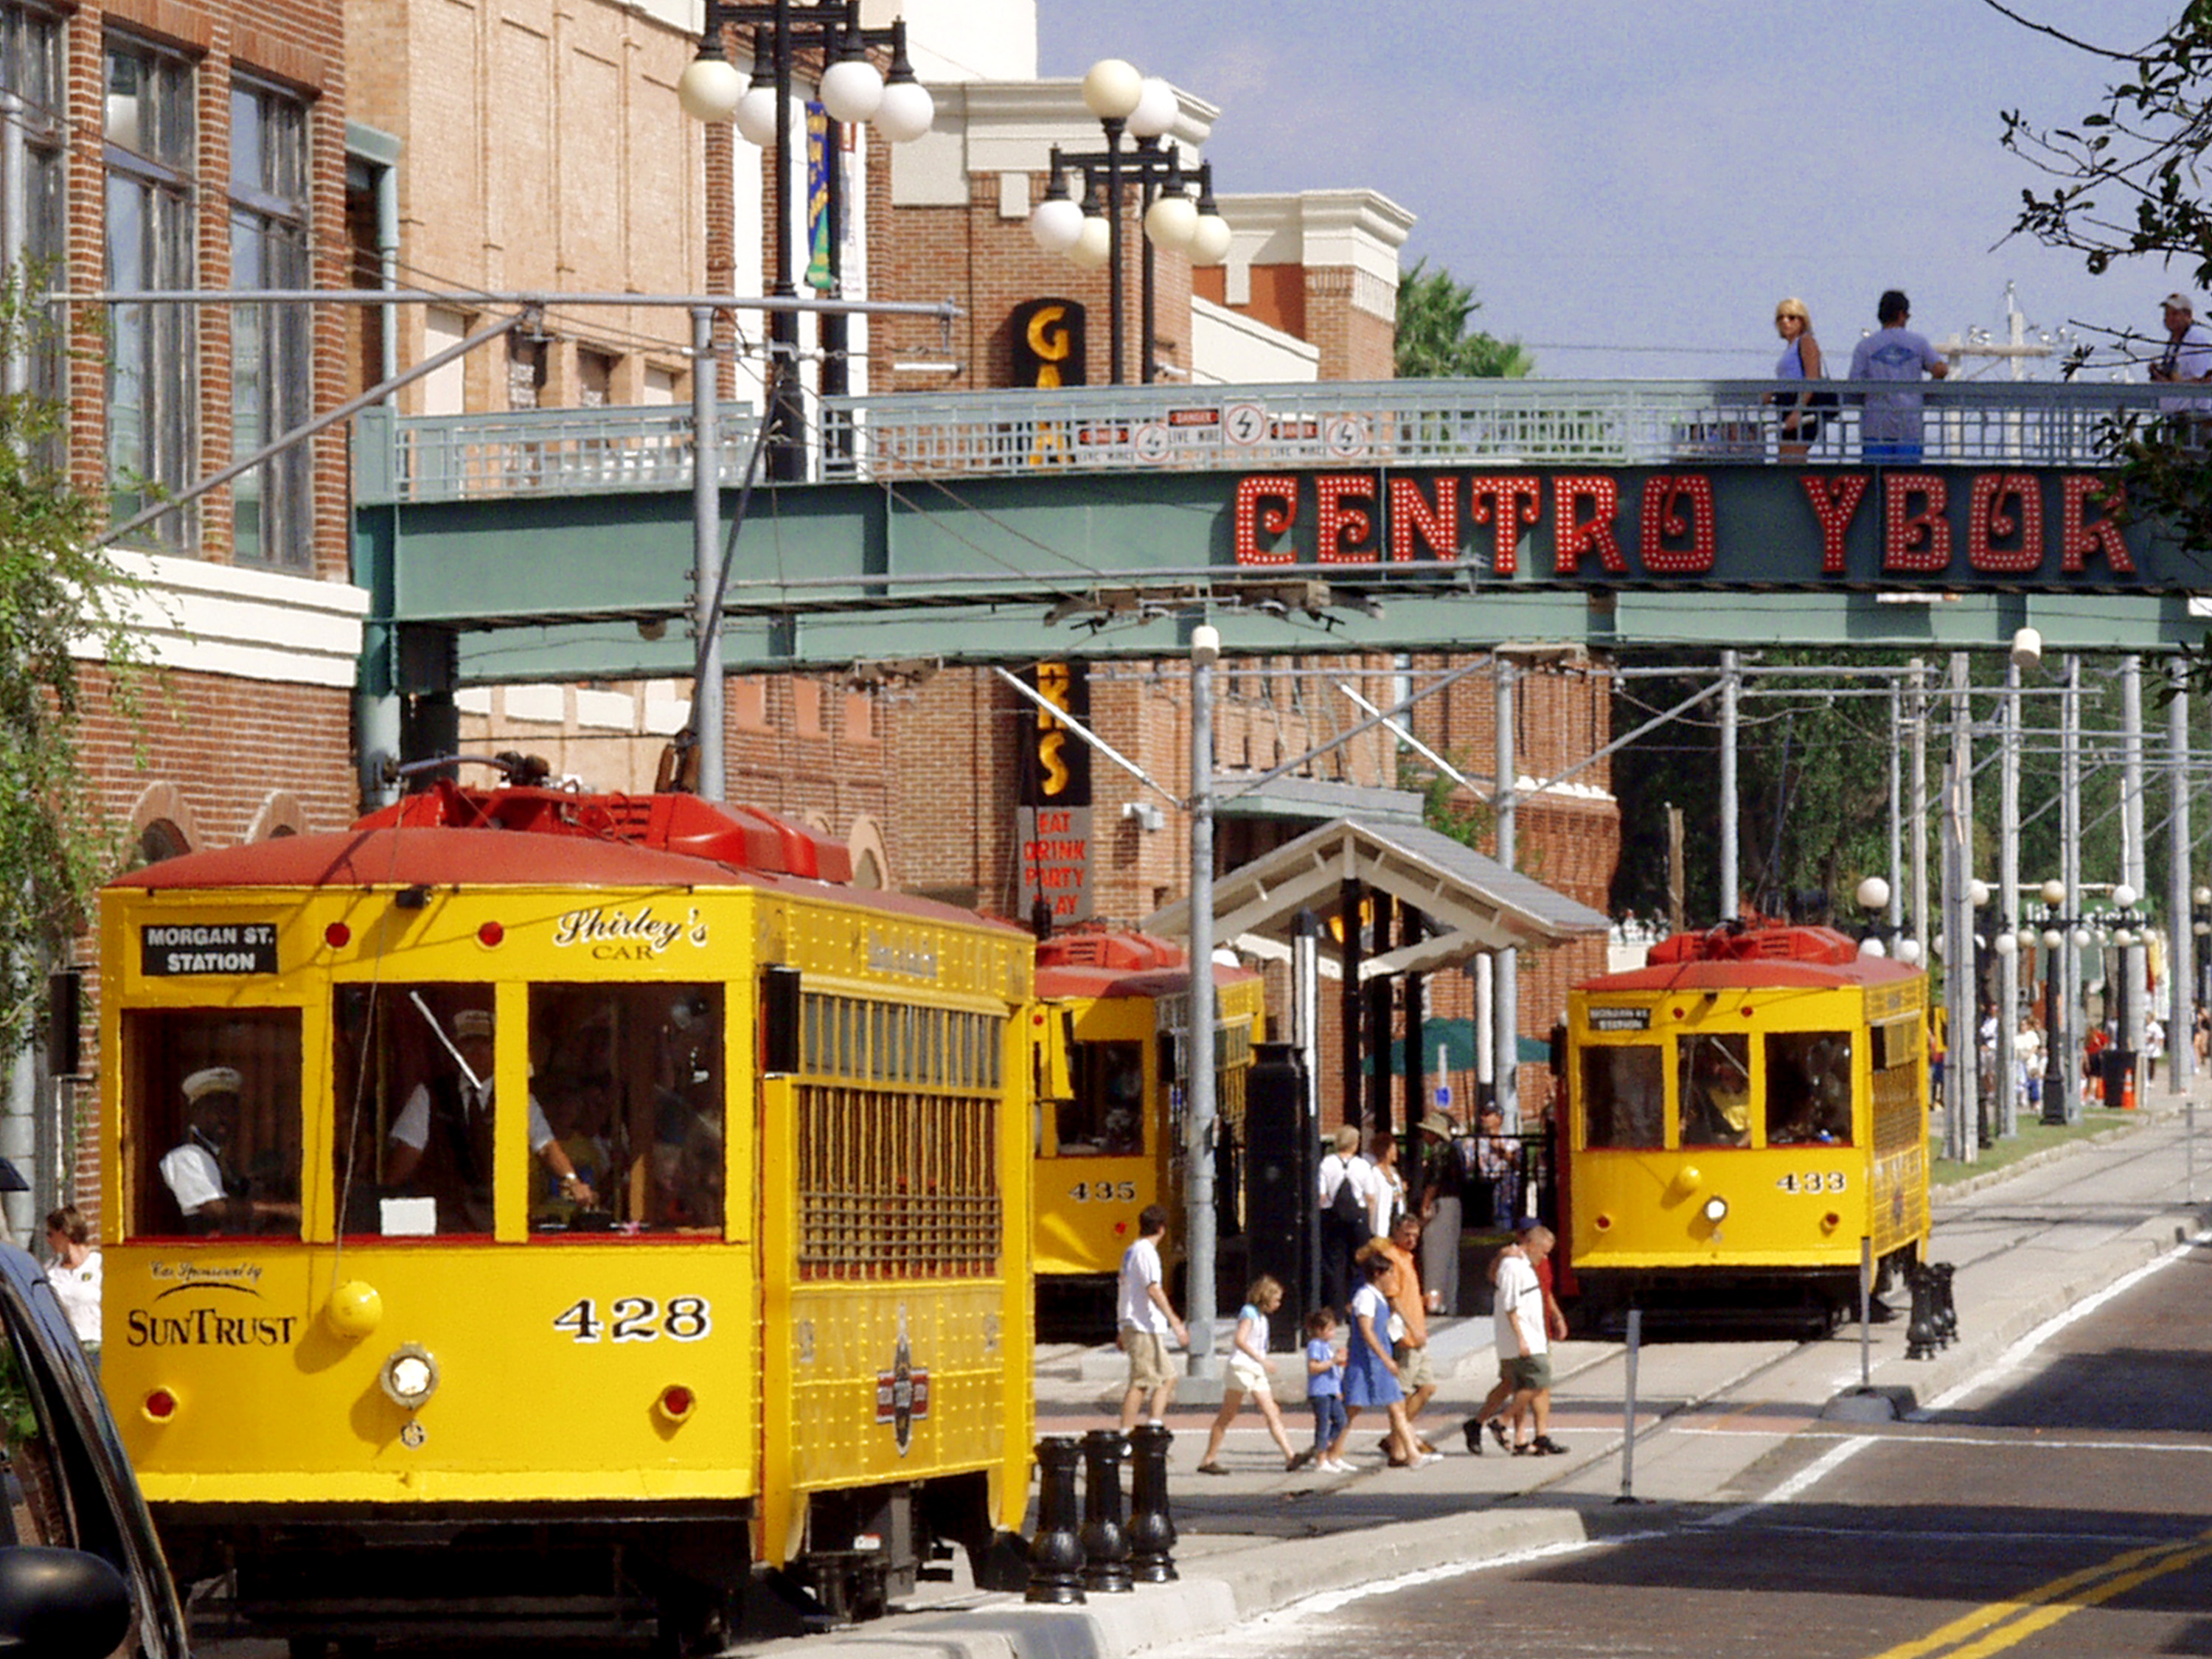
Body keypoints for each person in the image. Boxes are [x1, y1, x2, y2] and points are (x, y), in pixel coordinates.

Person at [387, 1007, 595, 1232]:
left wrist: (572, 1180)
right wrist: (384, 1193)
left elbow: (545, 1146)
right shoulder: (430, 1094)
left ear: (497, 1049)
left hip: (500, 1218)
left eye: (484, 1044)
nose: (476, 1051)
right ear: (457, 1051)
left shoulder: (516, 1096)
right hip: (445, 1220)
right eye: (468, 1044)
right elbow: (409, 1151)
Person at [1463, 1225, 1566, 1456]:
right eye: (1544, 1251)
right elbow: (1509, 1304)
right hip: (1521, 1337)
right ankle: (1501, 1422)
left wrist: (1555, 1317)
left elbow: (1542, 1294)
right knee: (1536, 1380)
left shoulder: (1529, 1265)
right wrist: (1521, 1338)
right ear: (1532, 1244)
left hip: (1534, 1334)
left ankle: (1520, 1434)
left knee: (1519, 1383)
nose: (1546, 1257)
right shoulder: (1512, 1266)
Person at [160, 1067, 294, 1236]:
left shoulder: (219, 1159)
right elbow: (216, 1208)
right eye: (214, 1109)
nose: (223, 1118)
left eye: (230, 1110)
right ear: (195, 1112)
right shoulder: (186, 1156)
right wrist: (285, 1210)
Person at [1195, 1276, 1307, 1475]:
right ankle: (1208, 1458)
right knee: (1228, 1415)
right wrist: (1261, 1359)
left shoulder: (1262, 1318)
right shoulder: (1249, 1313)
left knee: (1271, 1411)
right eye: (1276, 1300)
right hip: (1242, 1367)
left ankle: (1290, 1456)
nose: (1278, 1305)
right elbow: (1240, 1339)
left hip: (1254, 1369)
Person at [1330, 1253, 1430, 1469]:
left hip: (1380, 1362)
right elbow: (1366, 1331)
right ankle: (1332, 1453)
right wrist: (1387, 1359)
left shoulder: (1378, 1297)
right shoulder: (1365, 1297)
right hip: (1366, 1362)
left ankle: (1413, 1454)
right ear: (1378, 1274)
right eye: (1389, 1273)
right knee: (1352, 1409)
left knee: (1397, 1407)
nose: (1392, 1278)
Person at [1360, 1215, 1439, 1453]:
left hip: (1418, 1332)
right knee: (1401, 1393)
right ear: (1396, 1233)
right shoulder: (1392, 1258)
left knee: (1427, 1387)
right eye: (1407, 1235)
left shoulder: (1408, 1258)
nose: (1412, 1239)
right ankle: (1400, 1442)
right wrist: (1411, 1327)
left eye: (1416, 1235)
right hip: (1406, 1335)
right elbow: (1393, 1298)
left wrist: (1424, 1303)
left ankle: (1397, 1436)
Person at [1847, 289, 1949, 464]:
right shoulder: (1918, 343)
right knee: (1907, 483)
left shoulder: (1865, 346)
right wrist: (1929, 389)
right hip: (1909, 425)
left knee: (1876, 485)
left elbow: (1854, 384)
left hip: (1875, 426)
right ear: (1902, 314)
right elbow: (1941, 369)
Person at [1116, 1204, 1189, 1431]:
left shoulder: (1131, 1250)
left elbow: (1127, 1290)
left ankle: (1153, 1427)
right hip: (1143, 1325)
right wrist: (1176, 1322)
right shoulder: (1146, 1252)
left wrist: (1122, 1327)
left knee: (1168, 1378)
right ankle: (1125, 1436)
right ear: (1162, 1229)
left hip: (1138, 1323)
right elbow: (1153, 1288)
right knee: (1140, 1383)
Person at [1770, 296, 1830, 461]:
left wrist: (1798, 411)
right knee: (1785, 457)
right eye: (1780, 318)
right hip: (1786, 405)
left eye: (1791, 317)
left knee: (1792, 459)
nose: (1785, 322)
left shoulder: (1806, 341)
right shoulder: (1790, 347)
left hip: (1800, 406)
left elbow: (1812, 377)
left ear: (1802, 321)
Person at [1415, 1112, 1463, 1315]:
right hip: (1454, 1204)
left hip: (1440, 1204)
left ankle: (1434, 1302)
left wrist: (1425, 1205)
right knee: (1450, 1255)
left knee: (1435, 1254)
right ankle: (1449, 1302)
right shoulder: (1454, 1150)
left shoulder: (1439, 1151)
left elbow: (1434, 1180)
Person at [1316, 1124, 1366, 1312]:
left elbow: (1321, 1195)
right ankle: (1356, 1305)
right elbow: (1369, 1195)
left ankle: (1336, 1308)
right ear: (1355, 1143)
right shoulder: (1361, 1165)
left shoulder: (1327, 1163)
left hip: (1332, 1216)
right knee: (1359, 1262)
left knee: (1335, 1264)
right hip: (1358, 1217)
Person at [43, 1206, 100, 1354]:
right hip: (64, 1348)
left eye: (51, 1234)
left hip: (96, 1347)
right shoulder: (50, 1270)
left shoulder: (99, 1266)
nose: (48, 1241)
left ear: (64, 1234)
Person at [1304, 1307, 1349, 1473]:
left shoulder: (1327, 1346)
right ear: (1318, 1330)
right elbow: (1313, 1367)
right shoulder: (1315, 1345)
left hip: (1330, 1390)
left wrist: (1337, 1388)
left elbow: (1334, 1370)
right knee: (1323, 1424)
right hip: (1320, 1392)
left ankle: (1323, 1447)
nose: (1333, 1333)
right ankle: (1321, 1458)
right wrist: (1333, 1361)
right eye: (1329, 1329)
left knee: (1341, 1420)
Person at [2151, 292, 2212, 416]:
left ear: (2188, 316)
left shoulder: (2195, 341)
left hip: (2194, 416)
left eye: (2175, 314)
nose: (2169, 318)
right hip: (2175, 415)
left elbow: (2204, 380)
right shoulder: (2174, 344)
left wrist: (2171, 384)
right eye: (2167, 314)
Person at [1473, 1106, 1520, 1231]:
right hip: (1482, 1185)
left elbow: (1516, 1162)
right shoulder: (1475, 1141)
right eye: (1482, 1115)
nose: (1483, 1118)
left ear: (1499, 1118)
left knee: (1504, 1215)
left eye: (1488, 1115)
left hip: (1504, 1185)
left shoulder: (1511, 1141)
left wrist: (1499, 1148)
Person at [1364, 1130, 1405, 1242]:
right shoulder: (1374, 1174)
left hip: (1396, 1221)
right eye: (1393, 1149)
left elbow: (1399, 1197)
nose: (1396, 1153)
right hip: (1381, 1226)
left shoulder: (1395, 1175)